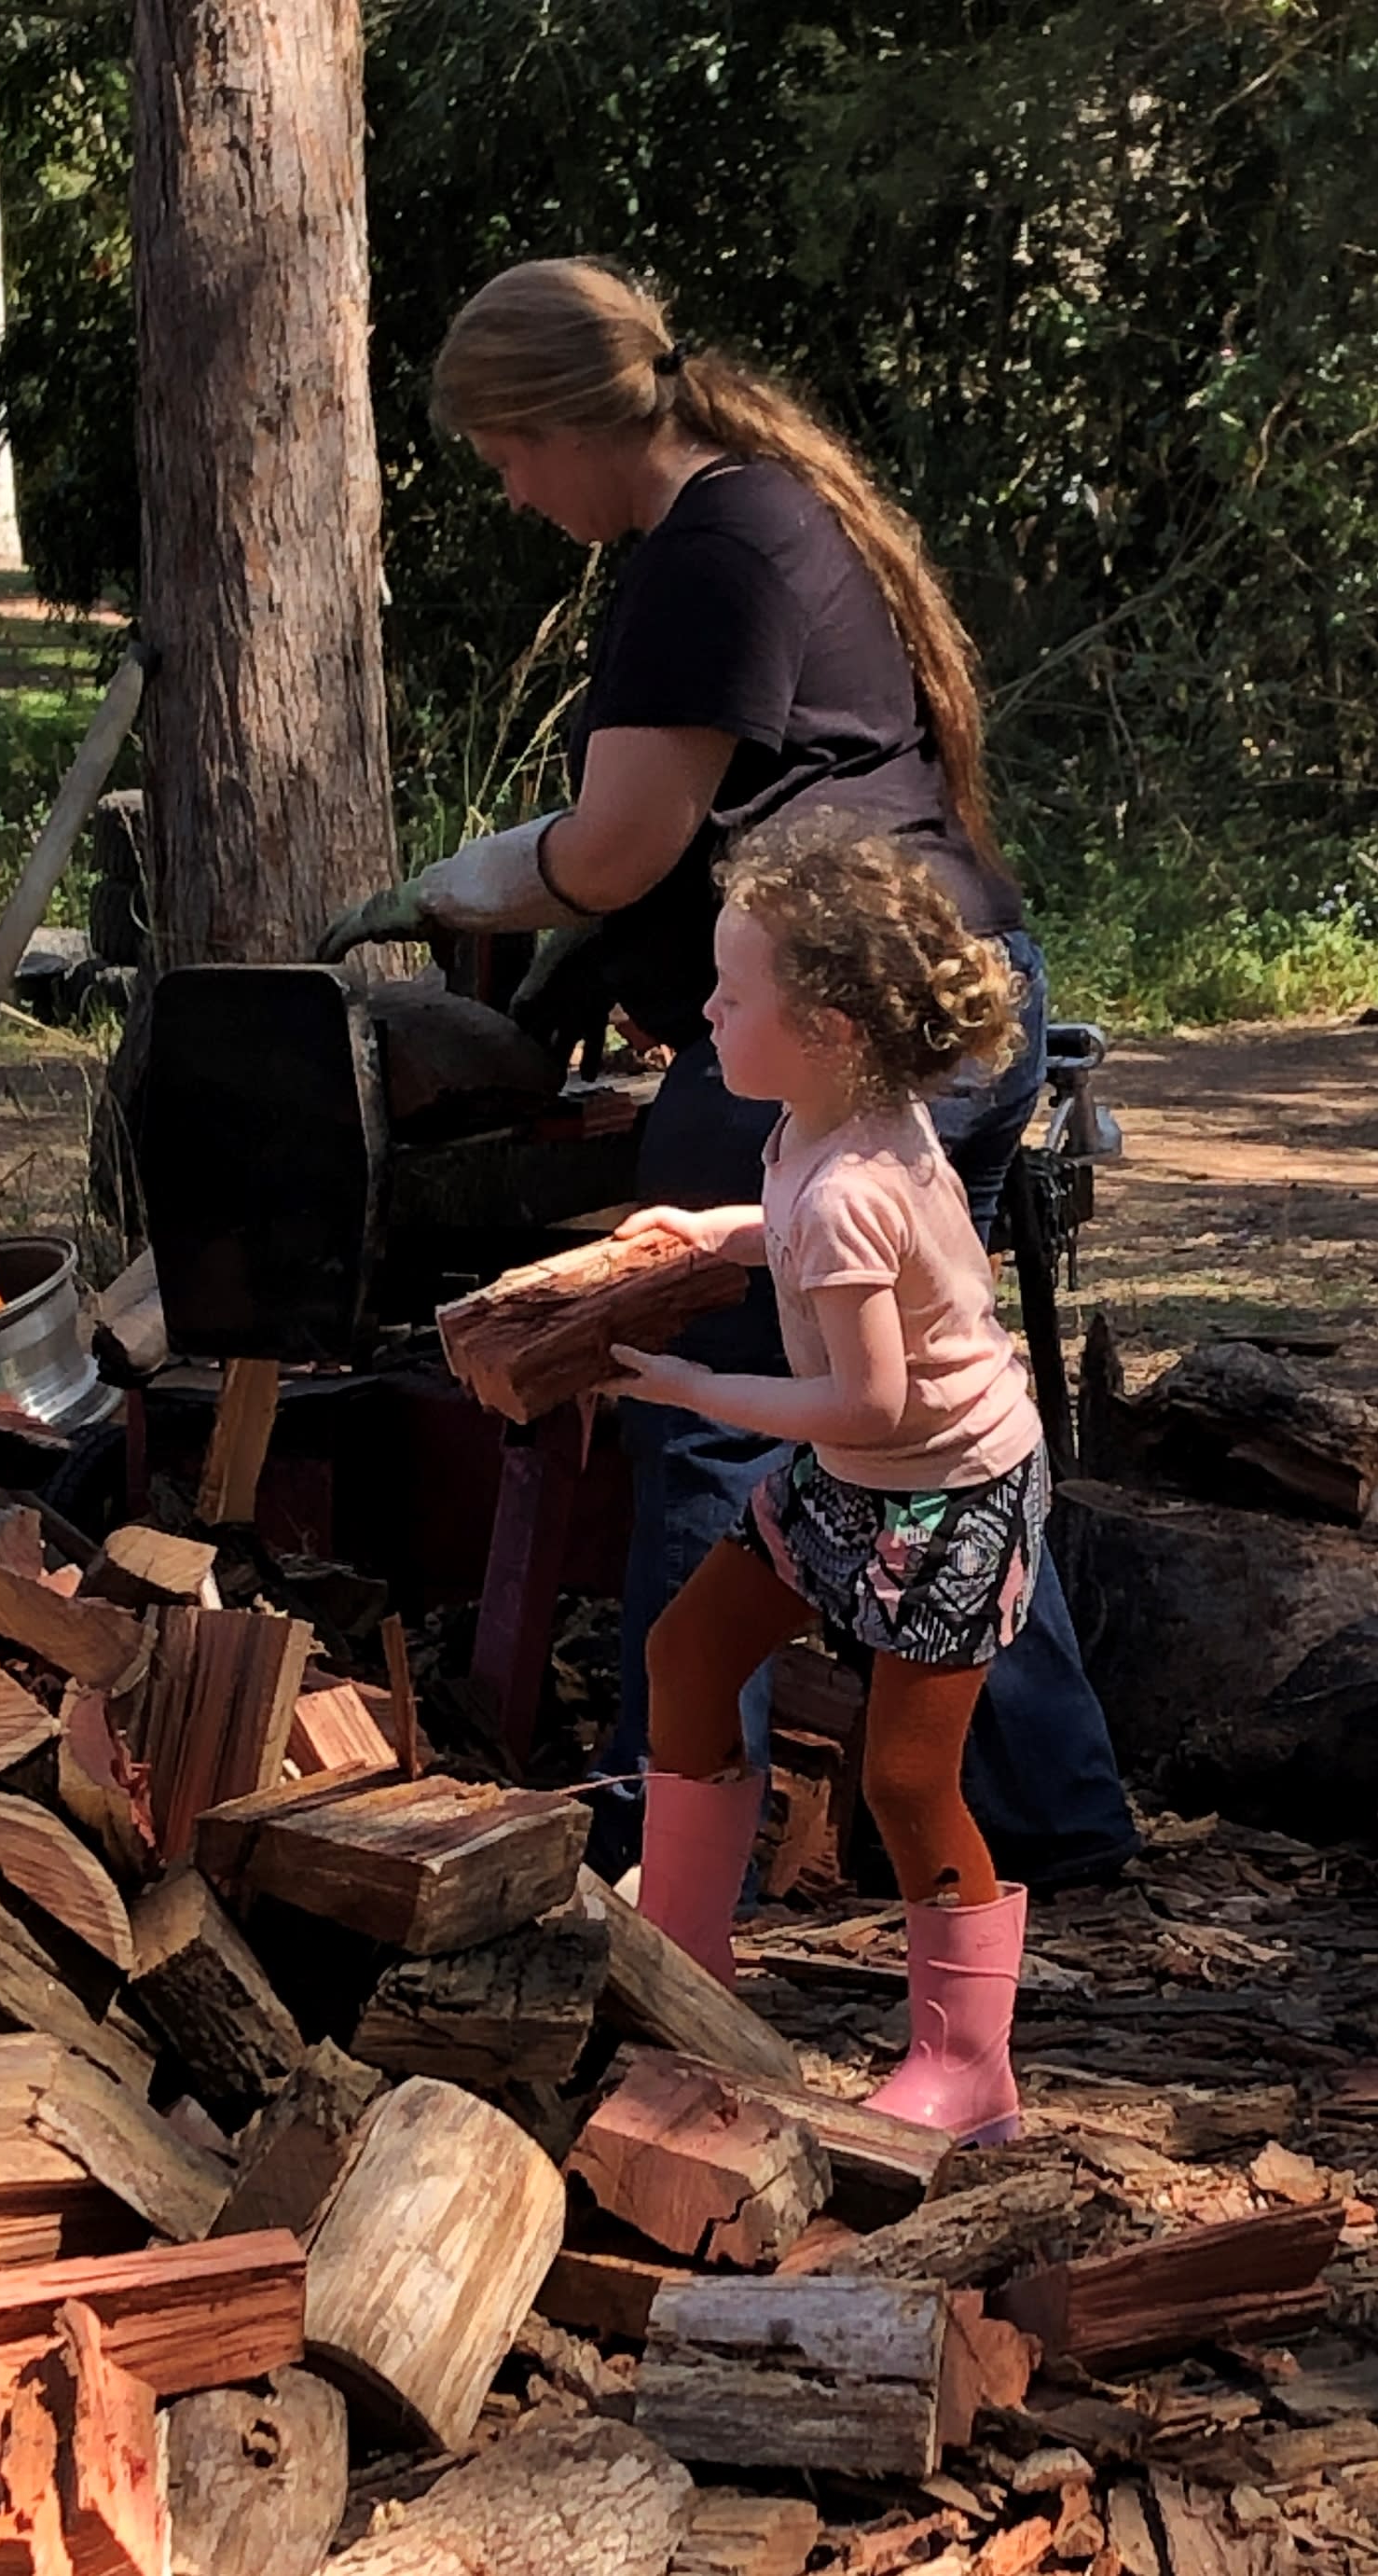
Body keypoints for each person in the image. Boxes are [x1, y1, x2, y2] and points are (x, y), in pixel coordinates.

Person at [319, 255, 1134, 1890]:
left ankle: (667, 1839)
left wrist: (471, 882)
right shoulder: (752, 511)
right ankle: (1056, 1811)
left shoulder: (706, 547)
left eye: (505, 454)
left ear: (562, 416)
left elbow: (621, 848)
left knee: (693, 1398)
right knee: (948, 1408)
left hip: (858, 1025)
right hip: (945, 992)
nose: (510, 488)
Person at [615, 826, 1040, 2142]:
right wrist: (715, 1231)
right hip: (856, 1480)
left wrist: (696, 1391)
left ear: (827, 1028)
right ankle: (687, 1959)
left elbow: (874, 1398)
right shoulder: (822, 1123)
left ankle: (972, 2065)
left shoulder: (859, 1175)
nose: (705, 1010)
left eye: (732, 998)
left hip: (947, 1493)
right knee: (691, 1653)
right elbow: (795, 1234)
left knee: (909, 1779)